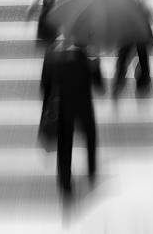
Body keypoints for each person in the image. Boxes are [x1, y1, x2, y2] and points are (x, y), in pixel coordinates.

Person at [40, 39, 97, 202]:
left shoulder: (51, 54)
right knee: (90, 137)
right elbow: (99, 85)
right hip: (84, 108)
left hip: (62, 109)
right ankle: (91, 174)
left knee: (64, 145)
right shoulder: (86, 54)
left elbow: (44, 86)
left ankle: (65, 185)